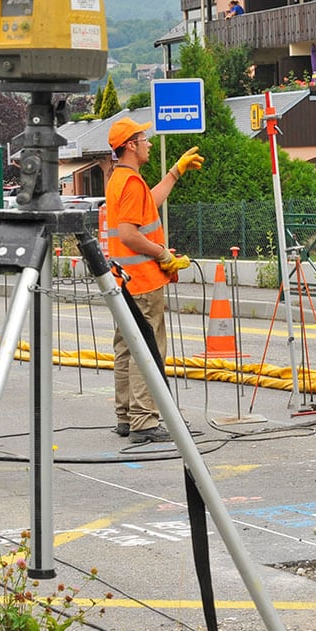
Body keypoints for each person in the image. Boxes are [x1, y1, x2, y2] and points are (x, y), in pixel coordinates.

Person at [105, 117, 203, 443]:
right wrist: (162, 254)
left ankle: (125, 415)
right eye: (143, 138)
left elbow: (150, 202)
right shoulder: (130, 183)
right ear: (131, 145)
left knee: (125, 347)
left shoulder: (121, 179)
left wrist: (175, 171)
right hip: (144, 281)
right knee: (146, 350)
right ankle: (144, 421)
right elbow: (131, 235)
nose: (148, 143)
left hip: (123, 282)